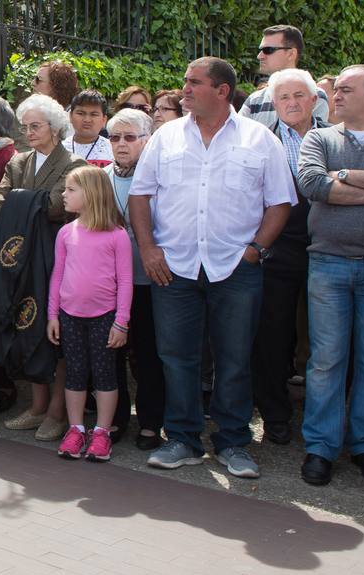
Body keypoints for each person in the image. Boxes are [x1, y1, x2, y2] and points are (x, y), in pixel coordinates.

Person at [129, 57, 296, 479]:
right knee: (177, 356)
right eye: (184, 82)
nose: (183, 89)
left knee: (235, 358)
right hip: (175, 268)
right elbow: (140, 196)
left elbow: (280, 203)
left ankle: (233, 441)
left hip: (236, 268)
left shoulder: (260, 140)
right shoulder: (166, 137)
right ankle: (183, 439)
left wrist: (257, 249)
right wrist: (148, 249)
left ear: (222, 91)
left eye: (193, 83)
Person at [296, 65, 364, 487]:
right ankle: (320, 447)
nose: (335, 95)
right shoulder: (318, 138)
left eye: (346, 89)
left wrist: (343, 177)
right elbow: (312, 185)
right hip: (328, 263)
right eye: (335, 89)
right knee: (325, 361)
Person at [0, 93, 87, 437]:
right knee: (26, 325)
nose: (28, 132)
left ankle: (57, 414)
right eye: (25, 126)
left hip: (59, 259)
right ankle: (37, 406)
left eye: (35, 126)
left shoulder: (74, 164)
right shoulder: (17, 163)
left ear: (55, 128)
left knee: (56, 335)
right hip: (20, 261)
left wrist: (21, 204)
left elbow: (59, 205)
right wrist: (28, 204)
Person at [251, 69, 326, 447]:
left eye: (300, 95)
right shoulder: (261, 141)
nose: (292, 103)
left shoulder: (332, 137)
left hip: (327, 247)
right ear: (274, 103)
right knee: (273, 335)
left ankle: (323, 419)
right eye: (284, 97)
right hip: (277, 247)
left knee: (324, 339)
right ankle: (275, 416)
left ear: (315, 100)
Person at [48, 166, 132, 461]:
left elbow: (125, 280)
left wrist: (121, 322)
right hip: (70, 315)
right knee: (75, 373)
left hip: (105, 316)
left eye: (71, 190)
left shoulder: (117, 235)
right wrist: (52, 315)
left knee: (105, 373)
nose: (63, 195)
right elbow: (57, 275)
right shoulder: (65, 233)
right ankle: (76, 429)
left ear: (91, 194)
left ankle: (102, 432)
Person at [105, 108, 165, 450]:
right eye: (115, 137)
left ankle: (150, 422)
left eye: (130, 137)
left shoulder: (159, 176)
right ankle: (113, 419)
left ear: (147, 139)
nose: (121, 144)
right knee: (111, 352)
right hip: (110, 283)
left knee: (148, 353)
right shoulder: (100, 177)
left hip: (148, 279)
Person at [243, 25, 330, 125]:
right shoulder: (254, 100)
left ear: (291, 54)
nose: (260, 56)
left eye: (268, 50)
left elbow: (311, 137)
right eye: (260, 51)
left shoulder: (314, 95)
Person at [63, 89, 114, 166]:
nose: (87, 120)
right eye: (81, 113)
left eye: (94, 114)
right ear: (70, 116)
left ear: (104, 120)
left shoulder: (113, 150)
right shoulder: (59, 149)